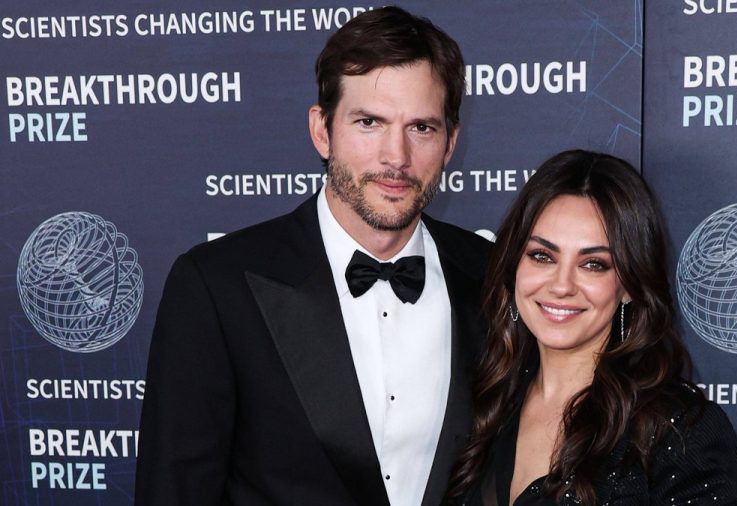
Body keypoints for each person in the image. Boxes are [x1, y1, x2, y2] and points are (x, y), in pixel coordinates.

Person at [135, 7, 491, 506]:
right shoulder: (217, 287)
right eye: (369, 122)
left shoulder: (494, 276)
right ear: (322, 130)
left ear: (451, 142)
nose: (397, 156)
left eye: (422, 128)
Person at [446, 150, 737, 505]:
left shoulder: (678, 432)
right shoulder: (485, 402)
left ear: (629, 287)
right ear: (514, 266)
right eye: (542, 256)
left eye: (593, 264)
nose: (561, 285)